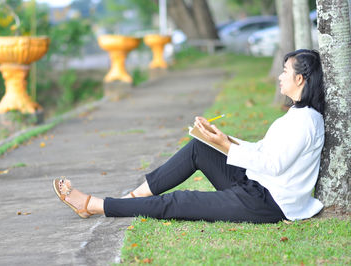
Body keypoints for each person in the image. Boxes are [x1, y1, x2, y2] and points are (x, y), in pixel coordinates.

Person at [53, 49, 325, 223]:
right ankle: (131, 199)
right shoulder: (296, 116)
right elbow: (264, 150)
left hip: (267, 203)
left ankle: (94, 205)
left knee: (179, 202)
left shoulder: (307, 122)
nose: (280, 77)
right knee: (200, 147)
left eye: (285, 71)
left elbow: (274, 165)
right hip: (255, 184)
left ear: (300, 79)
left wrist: (226, 147)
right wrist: (222, 139)